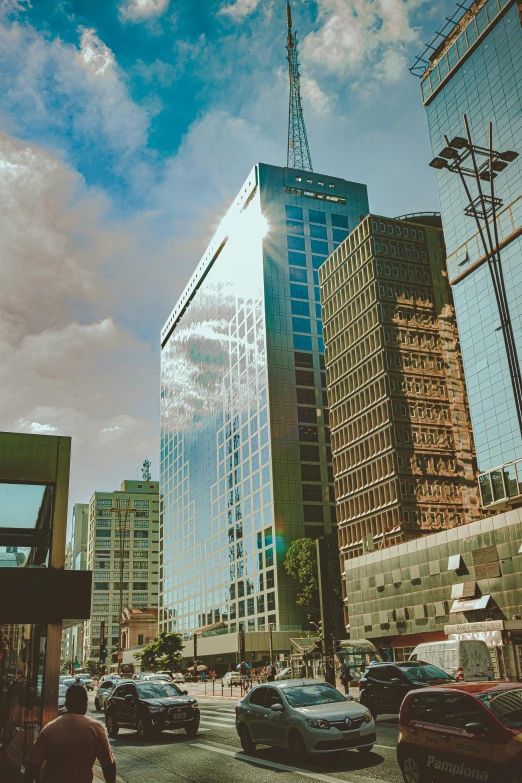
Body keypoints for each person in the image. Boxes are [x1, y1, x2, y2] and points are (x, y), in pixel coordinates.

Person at [23, 684, 116, 783]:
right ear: (85, 703)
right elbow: (108, 765)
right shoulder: (96, 729)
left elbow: (32, 766)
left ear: (67, 704)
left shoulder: (49, 729)